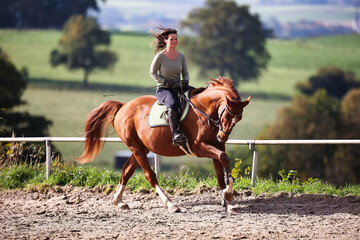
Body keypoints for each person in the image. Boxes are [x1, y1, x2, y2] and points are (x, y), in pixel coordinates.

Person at [150, 27, 189, 145]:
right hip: (164, 89)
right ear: (166, 40)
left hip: (178, 88)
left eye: (176, 39)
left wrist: (185, 81)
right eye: (172, 39)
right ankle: (176, 133)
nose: (174, 41)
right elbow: (152, 73)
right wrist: (164, 82)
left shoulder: (181, 57)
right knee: (172, 104)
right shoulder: (160, 57)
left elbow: (185, 73)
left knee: (189, 102)